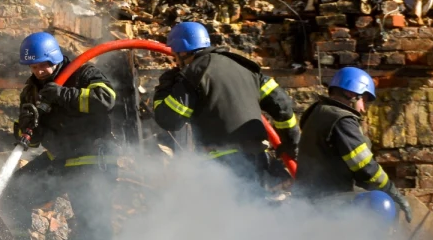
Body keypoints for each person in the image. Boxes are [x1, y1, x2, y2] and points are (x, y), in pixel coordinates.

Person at [0, 31, 118, 240]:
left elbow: (106, 99)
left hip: (91, 161)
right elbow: (31, 142)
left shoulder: (83, 73)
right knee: (12, 193)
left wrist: (64, 95)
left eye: (43, 65)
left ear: (54, 57)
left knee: (91, 225)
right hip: (59, 160)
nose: (39, 71)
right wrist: (26, 125)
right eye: (33, 67)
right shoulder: (31, 91)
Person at [152, 21, 299, 184]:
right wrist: (290, 142)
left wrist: (164, 89)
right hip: (257, 157)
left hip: (223, 165)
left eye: (175, 54)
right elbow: (282, 105)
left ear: (182, 52)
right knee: (254, 204)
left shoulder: (194, 74)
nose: (176, 61)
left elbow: (170, 121)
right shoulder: (245, 67)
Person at [293, 67, 410, 220]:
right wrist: (393, 193)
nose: (363, 109)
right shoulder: (342, 120)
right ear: (352, 94)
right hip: (330, 201)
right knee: (380, 204)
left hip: (307, 198)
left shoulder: (318, 111)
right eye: (364, 101)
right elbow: (365, 167)